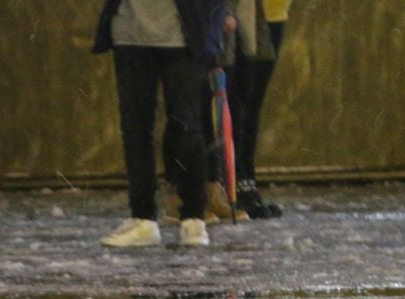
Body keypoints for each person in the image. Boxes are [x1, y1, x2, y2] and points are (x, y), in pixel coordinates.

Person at [93, 0, 233, 248]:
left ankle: (193, 218)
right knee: (135, 126)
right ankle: (143, 217)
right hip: (129, 31)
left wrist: (220, 15)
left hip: (182, 33)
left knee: (186, 125)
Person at [234, 0, 291, 218]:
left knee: (251, 105)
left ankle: (246, 180)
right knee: (241, 102)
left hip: (274, 13)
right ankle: (238, 182)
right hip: (246, 12)